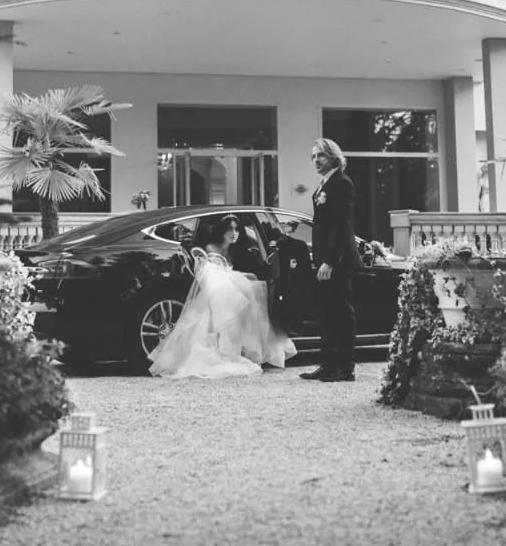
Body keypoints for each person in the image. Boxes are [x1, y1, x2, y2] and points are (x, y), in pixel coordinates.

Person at [149, 215, 297, 379]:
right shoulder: (211, 248)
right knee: (246, 293)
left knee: (252, 289)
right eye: (230, 229)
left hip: (224, 286)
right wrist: (243, 278)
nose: (234, 233)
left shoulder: (236, 250)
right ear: (222, 232)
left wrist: (245, 276)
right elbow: (213, 274)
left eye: (236, 230)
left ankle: (243, 347)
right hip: (216, 289)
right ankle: (230, 350)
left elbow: (230, 272)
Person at [300, 138, 363, 383]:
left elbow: (341, 225)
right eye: (313, 157)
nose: (316, 161)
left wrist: (329, 260)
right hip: (323, 259)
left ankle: (345, 368)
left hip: (337, 260)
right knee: (326, 312)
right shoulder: (323, 184)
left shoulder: (342, 183)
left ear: (333, 157)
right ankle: (327, 364)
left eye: (321, 156)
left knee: (341, 313)